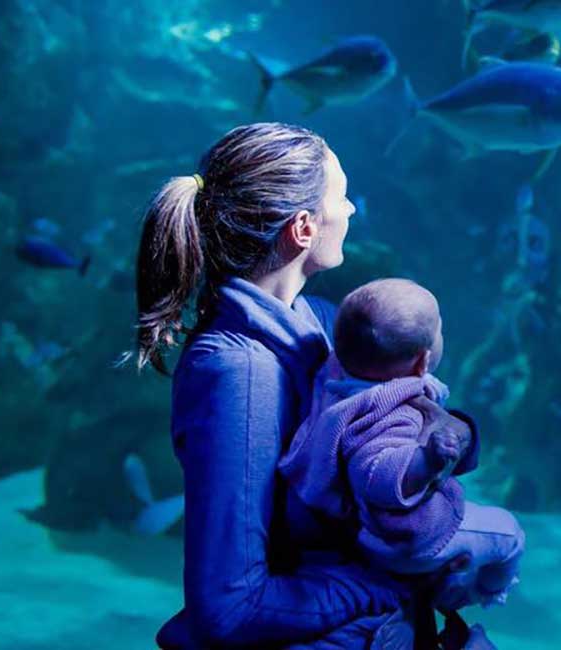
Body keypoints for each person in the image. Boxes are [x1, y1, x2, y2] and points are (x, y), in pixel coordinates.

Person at [131, 123, 475, 648]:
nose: (352, 210)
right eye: (340, 196)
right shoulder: (238, 373)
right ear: (303, 229)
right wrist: (378, 589)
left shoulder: (317, 322)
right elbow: (230, 607)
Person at [280, 279, 525, 619]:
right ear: (423, 361)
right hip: (400, 538)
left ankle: (444, 581)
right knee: (509, 534)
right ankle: (482, 592)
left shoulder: (338, 374)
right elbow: (376, 471)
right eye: (439, 330)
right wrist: (426, 459)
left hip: (365, 531)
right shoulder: (387, 410)